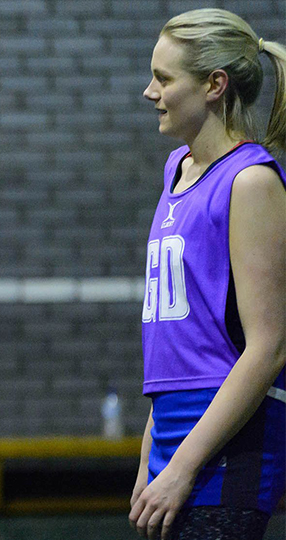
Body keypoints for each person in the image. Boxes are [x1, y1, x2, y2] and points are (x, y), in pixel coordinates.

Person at [130, 8, 286, 540]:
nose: (150, 91)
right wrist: (152, 456)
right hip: (174, 433)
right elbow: (179, 337)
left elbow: (268, 346)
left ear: (214, 85)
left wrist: (183, 467)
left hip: (229, 445)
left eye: (164, 78)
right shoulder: (177, 168)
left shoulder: (250, 181)